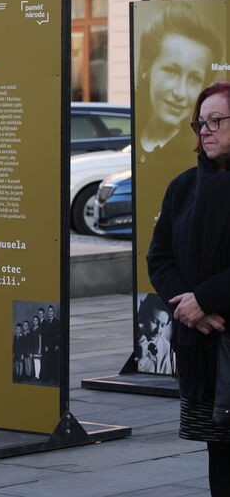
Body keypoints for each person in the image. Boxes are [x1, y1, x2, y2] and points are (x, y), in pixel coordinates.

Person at [147, 82, 230, 495]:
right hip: (201, 346)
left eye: (217, 120)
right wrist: (188, 305)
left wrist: (207, 299)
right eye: (201, 121)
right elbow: (159, 258)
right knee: (220, 453)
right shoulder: (183, 187)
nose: (206, 130)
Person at [137, 3, 220, 155]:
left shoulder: (198, 156)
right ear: (145, 70)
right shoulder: (132, 140)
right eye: (171, 71)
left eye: (194, 79)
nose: (180, 93)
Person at [137, 295, 174, 374]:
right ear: (144, 316)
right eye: (155, 322)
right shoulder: (134, 337)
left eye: (163, 325)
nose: (158, 331)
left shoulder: (168, 350)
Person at [40, 305, 60, 384]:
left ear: (53, 312)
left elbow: (58, 335)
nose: (50, 312)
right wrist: (45, 346)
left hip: (54, 346)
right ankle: (46, 378)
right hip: (47, 346)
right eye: (49, 311)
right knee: (46, 363)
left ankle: (55, 379)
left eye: (52, 311)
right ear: (48, 312)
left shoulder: (57, 322)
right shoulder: (46, 322)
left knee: (54, 363)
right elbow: (44, 335)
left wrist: (57, 345)